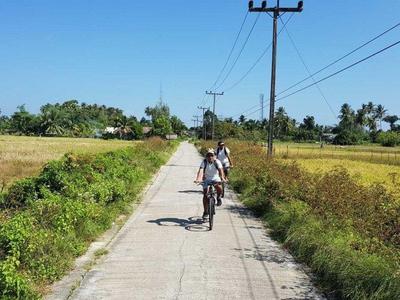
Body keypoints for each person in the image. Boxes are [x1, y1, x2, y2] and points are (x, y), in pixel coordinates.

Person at [194, 148, 226, 219]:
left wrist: (222, 178)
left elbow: (221, 171)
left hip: (215, 178)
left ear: (214, 156)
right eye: (208, 155)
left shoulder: (217, 162)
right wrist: (198, 179)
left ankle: (218, 197)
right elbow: (201, 171)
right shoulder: (204, 162)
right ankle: (205, 211)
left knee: (219, 188)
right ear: (206, 156)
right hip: (206, 179)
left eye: (211, 155)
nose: (210, 157)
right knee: (205, 195)